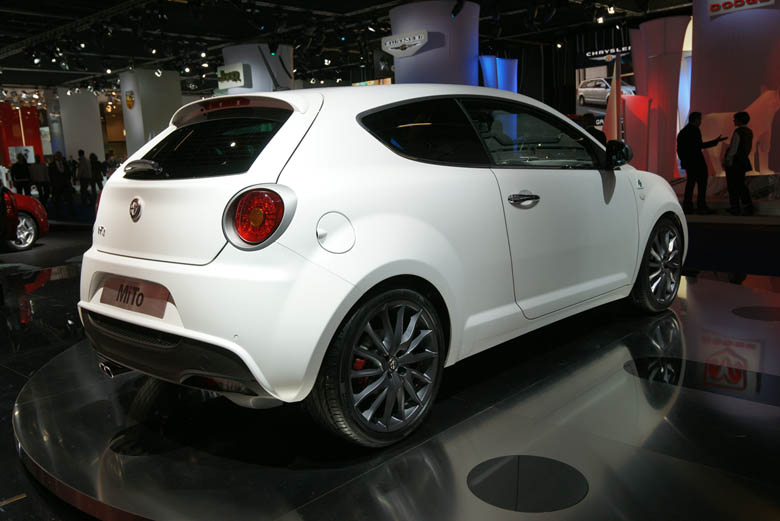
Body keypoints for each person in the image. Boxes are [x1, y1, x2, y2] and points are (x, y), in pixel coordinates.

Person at [676, 112, 726, 214]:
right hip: (697, 162)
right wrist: (714, 142)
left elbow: (680, 149)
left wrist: (684, 161)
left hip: (690, 163)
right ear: (695, 120)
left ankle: (688, 206)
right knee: (701, 184)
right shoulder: (694, 131)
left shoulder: (683, 131)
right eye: (699, 119)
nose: (700, 122)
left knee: (690, 185)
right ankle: (701, 206)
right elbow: (699, 146)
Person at [723, 111, 755, 215]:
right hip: (743, 161)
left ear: (739, 120)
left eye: (735, 119)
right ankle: (748, 206)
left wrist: (727, 160)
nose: (733, 121)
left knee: (732, 185)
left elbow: (733, 149)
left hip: (735, 163)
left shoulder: (738, 132)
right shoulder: (749, 132)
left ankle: (735, 207)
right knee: (741, 184)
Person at [49, 151, 75, 218]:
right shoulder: (51, 165)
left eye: (60, 155)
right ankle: (58, 213)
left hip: (65, 184)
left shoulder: (65, 164)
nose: (59, 157)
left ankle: (71, 212)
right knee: (57, 200)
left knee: (69, 199)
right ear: (55, 157)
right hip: (57, 185)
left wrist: (68, 181)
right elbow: (50, 175)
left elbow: (68, 173)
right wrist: (52, 184)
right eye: (58, 156)